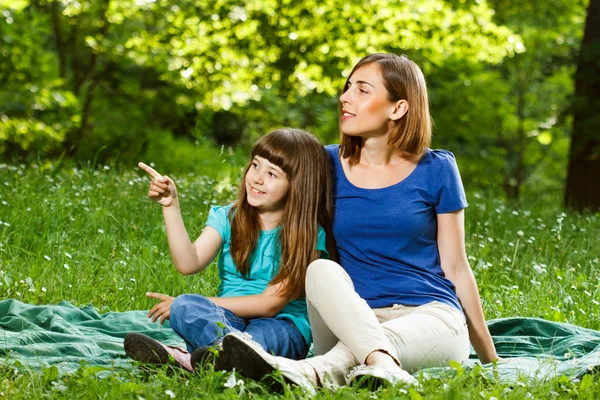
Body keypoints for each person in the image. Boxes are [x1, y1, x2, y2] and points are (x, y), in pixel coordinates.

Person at [221, 53, 499, 391]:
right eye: (347, 87)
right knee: (319, 270)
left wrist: (491, 360)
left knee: (369, 344)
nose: (345, 97)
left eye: (362, 90)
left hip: (431, 317)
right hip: (344, 317)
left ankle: (308, 372)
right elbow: (268, 205)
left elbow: (456, 266)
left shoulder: (438, 170)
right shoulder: (322, 164)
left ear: (398, 108)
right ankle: (378, 364)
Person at [124, 128, 331, 373]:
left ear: (298, 185)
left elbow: (270, 305)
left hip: (282, 324)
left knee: (263, 337)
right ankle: (227, 358)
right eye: (255, 165)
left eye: (272, 173)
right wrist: (171, 206)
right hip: (227, 319)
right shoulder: (228, 217)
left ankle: (190, 359)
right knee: (185, 307)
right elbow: (189, 263)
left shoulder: (308, 234)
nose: (257, 178)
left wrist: (204, 302)